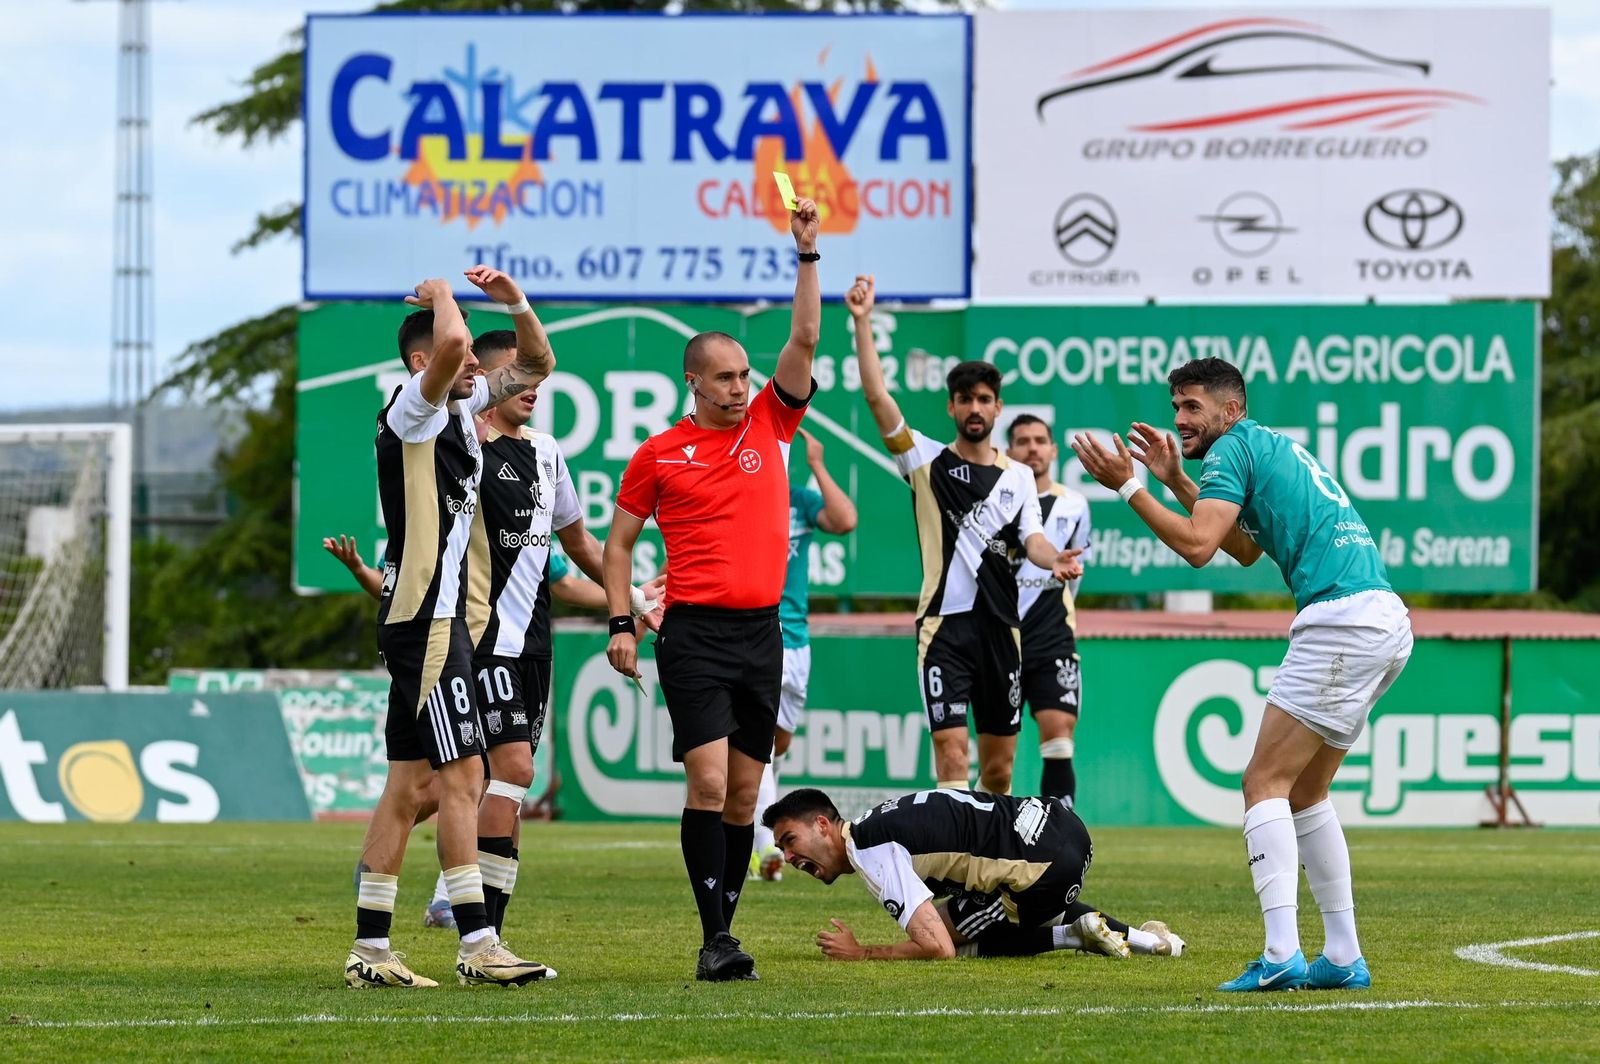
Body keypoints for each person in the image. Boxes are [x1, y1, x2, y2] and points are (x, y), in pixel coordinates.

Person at [1071, 357, 1412, 994]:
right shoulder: (1265, 445)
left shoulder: (1231, 450)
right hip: (1382, 617)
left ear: (1231, 410)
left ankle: (1281, 951)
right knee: (1305, 793)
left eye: (1192, 407)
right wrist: (1173, 478)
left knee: (1263, 782)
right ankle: (1341, 956)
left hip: (1341, 619)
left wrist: (1128, 486)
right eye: (1176, 406)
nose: (1180, 419)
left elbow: (1200, 548)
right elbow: (1245, 547)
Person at [602, 198, 822, 982]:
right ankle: (714, 935)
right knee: (707, 781)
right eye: (724, 377)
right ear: (692, 380)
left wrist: (805, 255)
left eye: (744, 375)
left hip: (763, 636)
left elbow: (804, 338)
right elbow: (619, 545)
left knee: (744, 798)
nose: (739, 387)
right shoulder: (659, 454)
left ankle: (720, 937)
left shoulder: (772, 424)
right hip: (691, 634)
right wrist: (622, 622)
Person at [346, 266, 555, 989]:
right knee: (466, 775)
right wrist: (441, 298)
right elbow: (454, 345)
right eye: (462, 358)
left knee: (408, 789)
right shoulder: (411, 412)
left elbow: (536, 362)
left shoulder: (460, 419)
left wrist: (515, 302)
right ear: (421, 364)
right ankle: (478, 944)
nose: (475, 365)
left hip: (432, 621)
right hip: (427, 620)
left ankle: (370, 953)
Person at [847, 275, 1082, 796]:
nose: (974, 408)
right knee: (951, 755)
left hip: (1004, 631)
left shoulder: (1019, 477)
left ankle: (984, 864)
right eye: (963, 399)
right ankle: (951, 872)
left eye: (983, 399)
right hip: (943, 631)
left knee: (998, 770)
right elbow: (876, 395)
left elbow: (1034, 541)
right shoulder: (925, 461)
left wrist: (1054, 560)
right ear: (951, 408)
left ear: (997, 408)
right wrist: (862, 322)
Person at [761, 786, 1183, 961]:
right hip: (1064, 824)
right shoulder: (878, 819)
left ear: (822, 825)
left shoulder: (869, 851)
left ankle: (1072, 935)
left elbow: (937, 947)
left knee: (960, 941)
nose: (790, 857)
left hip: (1044, 867)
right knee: (969, 913)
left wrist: (864, 953)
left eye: (789, 840)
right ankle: (1156, 942)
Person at [751, 426, 858, 881]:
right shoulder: (741, 498)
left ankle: (746, 814)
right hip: (757, 636)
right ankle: (764, 853)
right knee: (757, 748)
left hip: (798, 643)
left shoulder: (799, 501)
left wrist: (818, 464)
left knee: (778, 743)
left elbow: (846, 519)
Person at [1004, 415, 1093, 806]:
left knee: (1059, 734)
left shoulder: (1074, 504)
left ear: (1054, 450)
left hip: (1051, 635)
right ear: (1009, 451)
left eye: (1040, 440)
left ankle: (1058, 836)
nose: (1033, 448)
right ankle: (987, 839)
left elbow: (1074, 575)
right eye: (1023, 441)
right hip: (1000, 637)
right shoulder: (997, 500)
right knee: (998, 757)